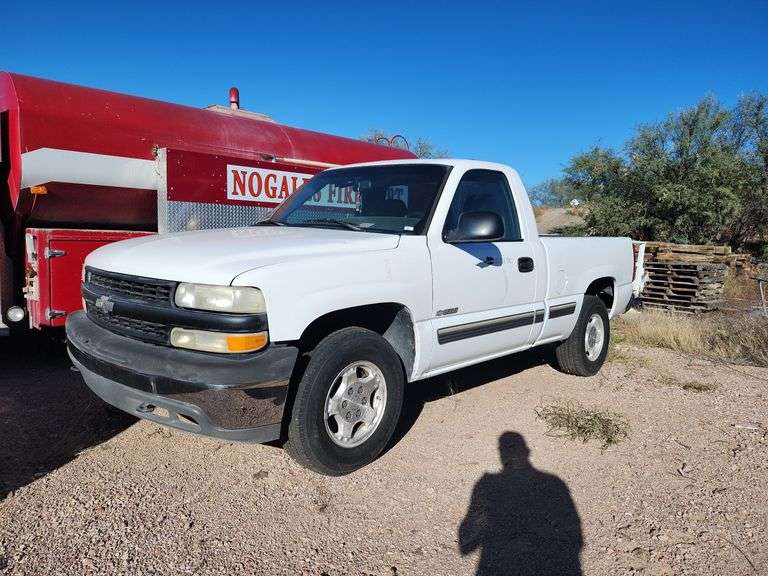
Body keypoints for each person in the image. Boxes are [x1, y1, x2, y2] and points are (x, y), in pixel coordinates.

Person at [459, 432, 583, 575]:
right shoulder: (553, 483)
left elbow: (466, 544)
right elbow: (572, 534)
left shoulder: (487, 484)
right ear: (527, 452)